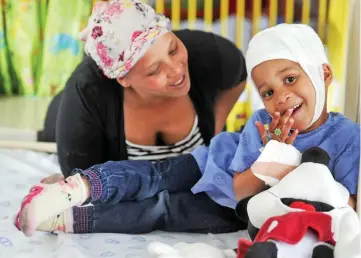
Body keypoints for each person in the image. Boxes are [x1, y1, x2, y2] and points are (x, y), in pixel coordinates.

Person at [16, 23, 360, 238]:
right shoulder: (261, 124)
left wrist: (284, 163)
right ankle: (77, 187)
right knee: (154, 176)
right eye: (268, 92)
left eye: (290, 79)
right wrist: (269, 154)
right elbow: (240, 185)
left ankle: (67, 219)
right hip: (211, 161)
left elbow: (345, 206)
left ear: (324, 74)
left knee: (160, 211)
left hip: (229, 212)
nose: (281, 97)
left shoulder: (347, 139)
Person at [38, 0, 247, 177]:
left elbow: (238, 75)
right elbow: (82, 180)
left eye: (173, 49)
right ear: (123, 79)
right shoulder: (84, 99)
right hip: (63, 115)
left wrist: (215, 131)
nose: (176, 70)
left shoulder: (209, 52)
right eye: (155, 69)